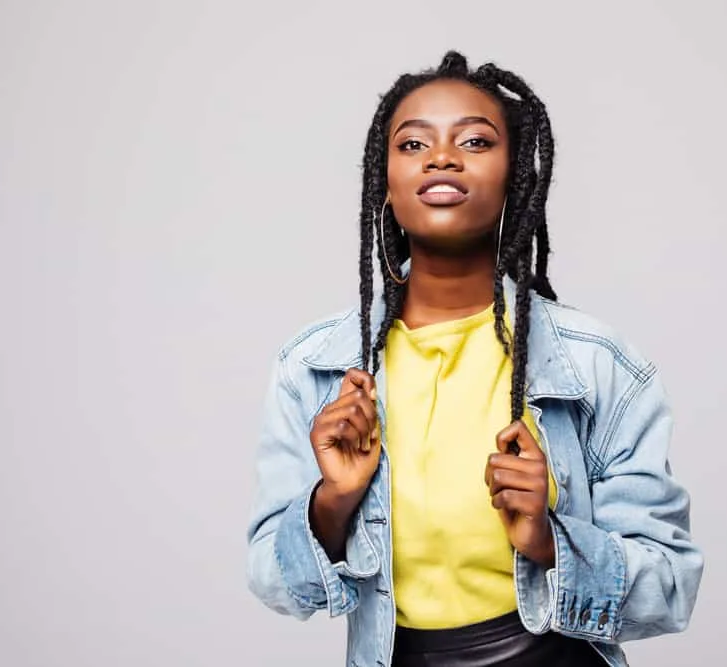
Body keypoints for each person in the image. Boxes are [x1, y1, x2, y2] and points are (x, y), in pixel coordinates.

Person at [245, 50, 703, 667]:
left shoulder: (598, 366)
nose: (441, 157)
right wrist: (333, 500)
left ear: (516, 180)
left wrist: (550, 540)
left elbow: (671, 587)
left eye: (475, 141)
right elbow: (277, 584)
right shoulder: (313, 367)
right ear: (383, 183)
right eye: (412, 145)